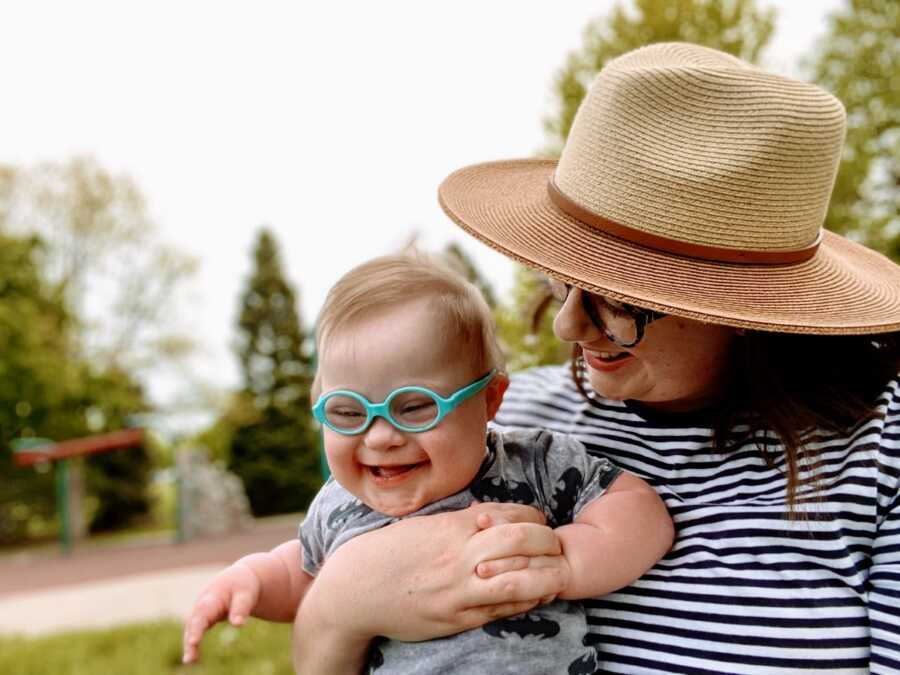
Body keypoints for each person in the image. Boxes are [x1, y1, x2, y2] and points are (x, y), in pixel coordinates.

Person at [291, 42, 900, 674]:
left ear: (746, 309)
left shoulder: (880, 457)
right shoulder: (499, 422)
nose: (566, 324)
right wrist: (338, 607)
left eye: (619, 301)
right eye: (563, 279)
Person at [182, 252, 674, 672]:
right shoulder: (338, 505)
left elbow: (637, 509)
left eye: (414, 407)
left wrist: (566, 562)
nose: (380, 436)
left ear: (490, 401)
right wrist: (247, 579)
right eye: (348, 413)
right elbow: (301, 576)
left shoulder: (534, 463)